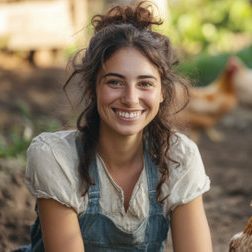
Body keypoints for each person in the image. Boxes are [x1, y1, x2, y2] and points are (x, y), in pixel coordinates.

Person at [17, 1, 212, 251]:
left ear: (162, 92)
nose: (131, 98)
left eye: (145, 83)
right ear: (91, 88)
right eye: (115, 82)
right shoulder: (56, 158)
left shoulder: (178, 158)